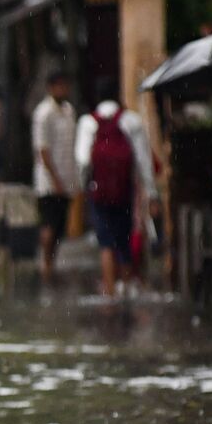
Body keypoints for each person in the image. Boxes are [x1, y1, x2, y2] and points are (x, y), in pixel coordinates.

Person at [75, 77, 160, 296]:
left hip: (99, 191)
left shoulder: (88, 122)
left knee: (105, 243)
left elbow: (83, 160)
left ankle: (109, 293)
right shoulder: (131, 121)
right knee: (123, 240)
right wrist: (151, 194)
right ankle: (126, 289)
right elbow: (144, 161)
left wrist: (84, 187)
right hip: (124, 191)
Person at [31, 71, 79, 282]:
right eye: (58, 86)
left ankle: (51, 263)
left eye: (64, 85)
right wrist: (56, 180)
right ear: (50, 88)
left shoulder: (69, 111)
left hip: (68, 177)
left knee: (60, 227)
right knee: (49, 224)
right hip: (48, 182)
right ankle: (46, 264)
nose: (62, 90)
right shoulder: (43, 113)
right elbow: (43, 151)